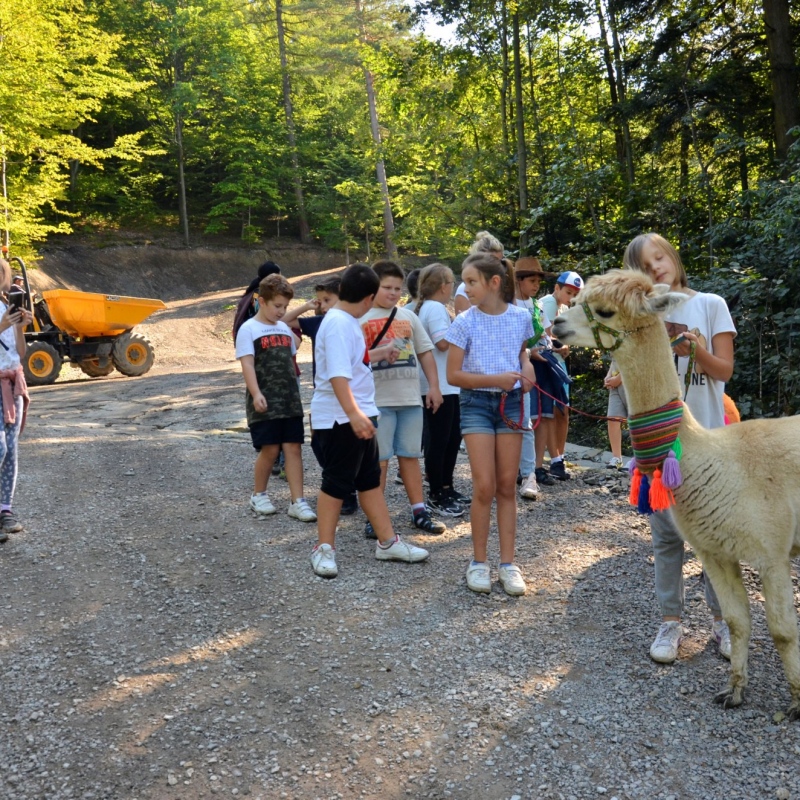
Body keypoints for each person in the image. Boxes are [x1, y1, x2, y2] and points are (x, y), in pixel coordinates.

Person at [624, 232, 736, 663]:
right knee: (667, 539)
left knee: (716, 541)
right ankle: (670, 621)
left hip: (708, 441)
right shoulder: (638, 314)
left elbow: (724, 370)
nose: (656, 268)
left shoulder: (710, 304)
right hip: (657, 444)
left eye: (659, 257)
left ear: (672, 255)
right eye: (645, 265)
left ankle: (723, 621)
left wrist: (697, 350)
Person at [309, 263, 430, 578]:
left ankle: (388, 543)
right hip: (340, 418)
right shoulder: (337, 323)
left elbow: (355, 360)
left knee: (368, 481)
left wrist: (382, 352)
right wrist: (353, 415)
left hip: (359, 414)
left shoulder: (346, 320)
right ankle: (323, 549)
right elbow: (337, 374)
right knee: (335, 484)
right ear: (368, 297)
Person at [446, 253, 535, 596]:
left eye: (471, 281)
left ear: (494, 283)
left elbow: (523, 355)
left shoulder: (520, 317)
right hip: (476, 405)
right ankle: (479, 561)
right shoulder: (464, 322)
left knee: (505, 486)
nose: (464, 288)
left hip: (511, 403)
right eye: (463, 281)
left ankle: (508, 564)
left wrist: (526, 372)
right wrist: (496, 379)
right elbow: (453, 374)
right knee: (483, 486)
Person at [359, 260, 446, 536]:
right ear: (373, 287)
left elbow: (424, 352)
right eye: (387, 287)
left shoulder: (409, 317)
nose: (394, 293)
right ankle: (375, 517)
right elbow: (351, 361)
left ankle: (419, 510)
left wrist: (434, 386)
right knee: (380, 460)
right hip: (377, 401)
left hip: (410, 400)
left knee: (410, 456)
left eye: (398, 288)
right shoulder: (360, 319)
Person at [234, 274, 317, 523]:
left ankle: (298, 501)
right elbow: (247, 364)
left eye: (285, 307)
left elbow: (292, 356)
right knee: (270, 449)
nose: (281, 312)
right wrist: (257, 393)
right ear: (261, 301)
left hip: (289, 400)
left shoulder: (284, 328)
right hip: (265, 402)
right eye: (277, 306)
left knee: (293, 448)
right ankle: (258, 495)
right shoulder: (248, 329)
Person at [414, 263, 467, 516]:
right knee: (440, 441)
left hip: (445, 385)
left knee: (451, 438)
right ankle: (436, 493)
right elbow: (443, 343)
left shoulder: (427, 307)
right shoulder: (435, 308)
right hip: (439, 386)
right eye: (452, 284)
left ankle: (447, 486)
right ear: (445, 286)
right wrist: (463, 325)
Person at [0, 259, 33, 540]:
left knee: (11, 449)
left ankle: (5, 510)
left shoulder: (7, 304)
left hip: (13, 383)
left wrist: (21, 326)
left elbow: (20, 352)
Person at [540, 270, 584, 479]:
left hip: (558, 364)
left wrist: (564, 346)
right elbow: (549, 335)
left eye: (575, 294)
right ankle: (555, 458)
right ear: (557, 288)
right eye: (568, 292)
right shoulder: (548, 302)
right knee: (554, 412)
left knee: (562, 411)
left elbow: (561, 339)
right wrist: (562, 345)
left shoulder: (564, 307)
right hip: (548, 364)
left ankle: (559, 456)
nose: (571, 298)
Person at [513, 258, 549, 499]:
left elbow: (545, 334)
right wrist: (528, 352)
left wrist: (554, 346)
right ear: (519, 280)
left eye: (538, 281)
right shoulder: (506, 305)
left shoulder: (536, 306)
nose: (536, 285)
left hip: (529, 370)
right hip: (507, 370)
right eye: (532, 280)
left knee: (526, 421)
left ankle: (529, 475)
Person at [454, 231, 504, 314]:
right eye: (492, 261)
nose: (498, 266)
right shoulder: (464, 290)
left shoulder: (503, 285)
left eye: (500, 261)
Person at [604, 360, 627, 468]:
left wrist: (619, 378)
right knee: (613, 418)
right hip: (615, 384)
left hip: (632, 381)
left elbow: (638, 359)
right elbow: (614, 360)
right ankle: (617, 458)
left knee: (636, 419)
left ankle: (638, 458)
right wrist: (608, 376)